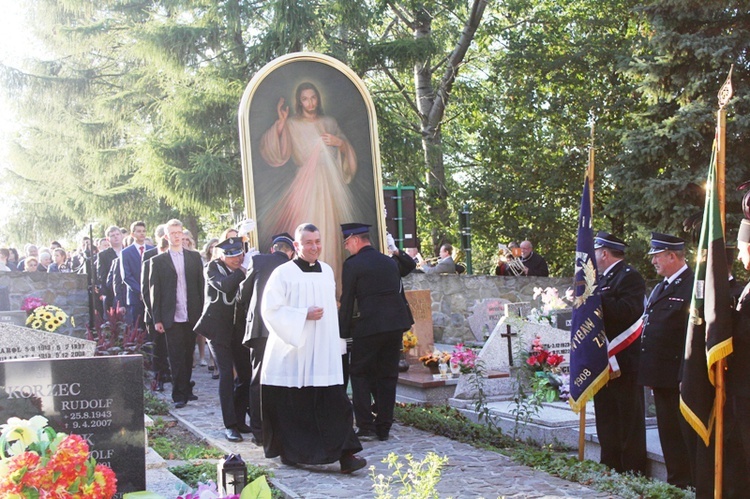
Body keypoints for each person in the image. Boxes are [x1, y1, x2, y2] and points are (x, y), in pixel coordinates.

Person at [260, 223, 366, 473]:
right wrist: (302, 314)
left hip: (323, 352)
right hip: (294, 352)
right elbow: (270, 310)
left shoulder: (327, 271)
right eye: (308, 242)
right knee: (296, 407)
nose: (314, 247)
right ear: (296, 246)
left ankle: (346, 455)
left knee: (335, 403)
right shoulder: (283, 273)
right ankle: (291, 452)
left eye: (317, 241)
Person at [260, 82, 358, 289]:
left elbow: (346, 152)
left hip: (330, 185)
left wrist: (339, 143)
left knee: (329, 230)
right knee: (306, 225)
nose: (310, 102)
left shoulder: (329, 122)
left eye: (313, 97)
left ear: (318, 99)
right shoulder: (292, 124)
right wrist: (281, 123)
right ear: (299, 101)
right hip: (304, 185)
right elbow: (276, 153)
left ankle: (332, 286)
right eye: (305, 98)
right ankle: (304, 284)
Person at [339, 223, 415, 442]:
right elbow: (407, 267)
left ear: (354, 239)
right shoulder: (388, 261)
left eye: (346, 243)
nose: (346, 248)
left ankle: (365, 426)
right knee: (387, 375)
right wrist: (397, 250)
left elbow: (347, 300)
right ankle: (384, 427)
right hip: (394, 326)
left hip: (369, 326)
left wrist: (342, 332)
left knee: (360, 373)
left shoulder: (353, 265)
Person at [637, 232, 694, 489]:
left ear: (672, 255)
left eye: (657, 256)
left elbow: (691, 335)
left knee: (685, 433)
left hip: (680, 375)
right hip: (660, 374)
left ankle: (692, 481)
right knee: (668, 432)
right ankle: (676, 482)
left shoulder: (692, 285)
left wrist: (686, 373)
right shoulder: (662, 286)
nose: (653, 262)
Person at [591, 231, 647, 474]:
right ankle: (610, 464)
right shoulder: (600, 279)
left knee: (628, 418)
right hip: (603, 359)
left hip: (624, 360)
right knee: (606, 416)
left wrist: (596, 299)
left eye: (595, 251)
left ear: (604, 253)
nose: (593, 256)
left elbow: (628, 311)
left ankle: (632, 469)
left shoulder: (629, 277)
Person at [238, 232, 295, 445]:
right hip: (284, 330)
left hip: (260, 329)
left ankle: (259, 432)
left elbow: (243, 293)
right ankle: (281, 428)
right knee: (283, 379)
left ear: (273, 249)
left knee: (258, 379)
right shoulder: (293, 267)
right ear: (290, 252)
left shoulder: (258, 260)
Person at [194, 237, 251, 442]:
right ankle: (230, 425)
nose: (238, 259)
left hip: (237, 328)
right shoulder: (212, 268)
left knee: (246, 375)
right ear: (223, 255)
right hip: (217, 329)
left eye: (240, 255)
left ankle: (240, 418)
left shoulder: (242, 270)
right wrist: (241, 272)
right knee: (226, 374)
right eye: (233, 255)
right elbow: (225, 286)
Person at [149, 219, 205, 409]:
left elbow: (200, 287)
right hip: (170, 315)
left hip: (191, 313)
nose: (176, 236)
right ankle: (178, 394)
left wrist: (202, 314)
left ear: (183, 234)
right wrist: (157, 319)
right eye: (172, 233)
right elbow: (154, 292)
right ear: (166, 236)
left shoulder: (194, 257)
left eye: (179, 232)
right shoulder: (158, 261)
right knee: (175, 356)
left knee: (189, 354)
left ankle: (187, 389)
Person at [142, 231, 171, 391]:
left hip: (171, 312)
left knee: (170, 348)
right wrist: (155, 314)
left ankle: (169, 374)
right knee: (157, 347)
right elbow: (146, 290)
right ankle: (159, 378)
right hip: (154, 313)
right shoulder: (150, 260)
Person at [121, 221, 154, 328]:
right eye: (139, 231)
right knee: (137, 328)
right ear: (132, 234)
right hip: (135, 297)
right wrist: (140, 291)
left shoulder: (152, 250)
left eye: (144, 231)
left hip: (151, 295)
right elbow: (126, 276)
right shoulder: (126, 252)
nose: (142, 234)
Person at [97, 226, 124, 319]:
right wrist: (105, 293)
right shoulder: (103, 255)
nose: (116, 237)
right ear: (108, 239)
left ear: (122, 236)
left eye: (117, 234)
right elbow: (102, 275)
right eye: (113, 235)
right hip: (111, 293)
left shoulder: (129, 251)